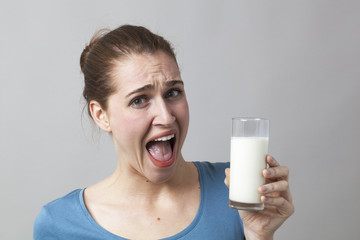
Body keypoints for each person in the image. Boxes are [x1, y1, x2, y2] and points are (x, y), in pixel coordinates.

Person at [34, 24, 294, 240]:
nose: (167, 116)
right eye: (139, 100)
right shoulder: (59, 225)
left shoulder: (237, 191)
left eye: (173, 93)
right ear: (101, 115)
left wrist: (258, 233)